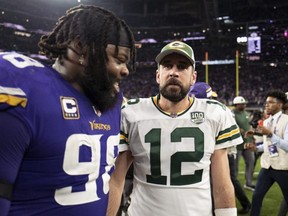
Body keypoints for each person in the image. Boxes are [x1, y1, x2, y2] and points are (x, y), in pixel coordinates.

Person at [0, 4, 136, 216]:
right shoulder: (25, 90)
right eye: (119, 60)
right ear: (81, 47)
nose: (126, 70)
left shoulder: (112, 101)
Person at [107, 41, 243, 216]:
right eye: (167, 66)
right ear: (158, 75)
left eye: (182, 66)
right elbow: (116, 181)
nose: (173, 72)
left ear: (193, 77)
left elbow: (222, 185)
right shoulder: (131, 114)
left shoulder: (215, 114)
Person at [190, 82, 252, 215]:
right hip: (217, 153)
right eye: (210, 98)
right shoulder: (218, 112)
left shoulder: (186, 115)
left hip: (217, 154)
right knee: (220, 182)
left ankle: (245, 203)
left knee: (225, 181)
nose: (213, 101)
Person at [245, 90, 288, 216]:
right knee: (257, 196)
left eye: (270, 103)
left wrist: (270, 134)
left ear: (279, 105)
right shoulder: (267, 121)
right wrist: (256, 148)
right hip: (267, 166)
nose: (266, 105)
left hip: (282, 168)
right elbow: (268, 144)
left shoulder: (286, 121)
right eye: (266, 103)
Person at [232, 96, 256, 191]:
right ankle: (234, 185)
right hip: (237, 145)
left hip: (247, 143)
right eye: (242, 104)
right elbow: (233, 127)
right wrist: (239, 130)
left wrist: (252, 137)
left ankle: (248, 183)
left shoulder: (246, 113)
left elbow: (249, 127)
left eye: (244, 104)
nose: (244, 105)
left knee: (250, 162)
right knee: (235, 167)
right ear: (237, 104)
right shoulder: (232, 114)